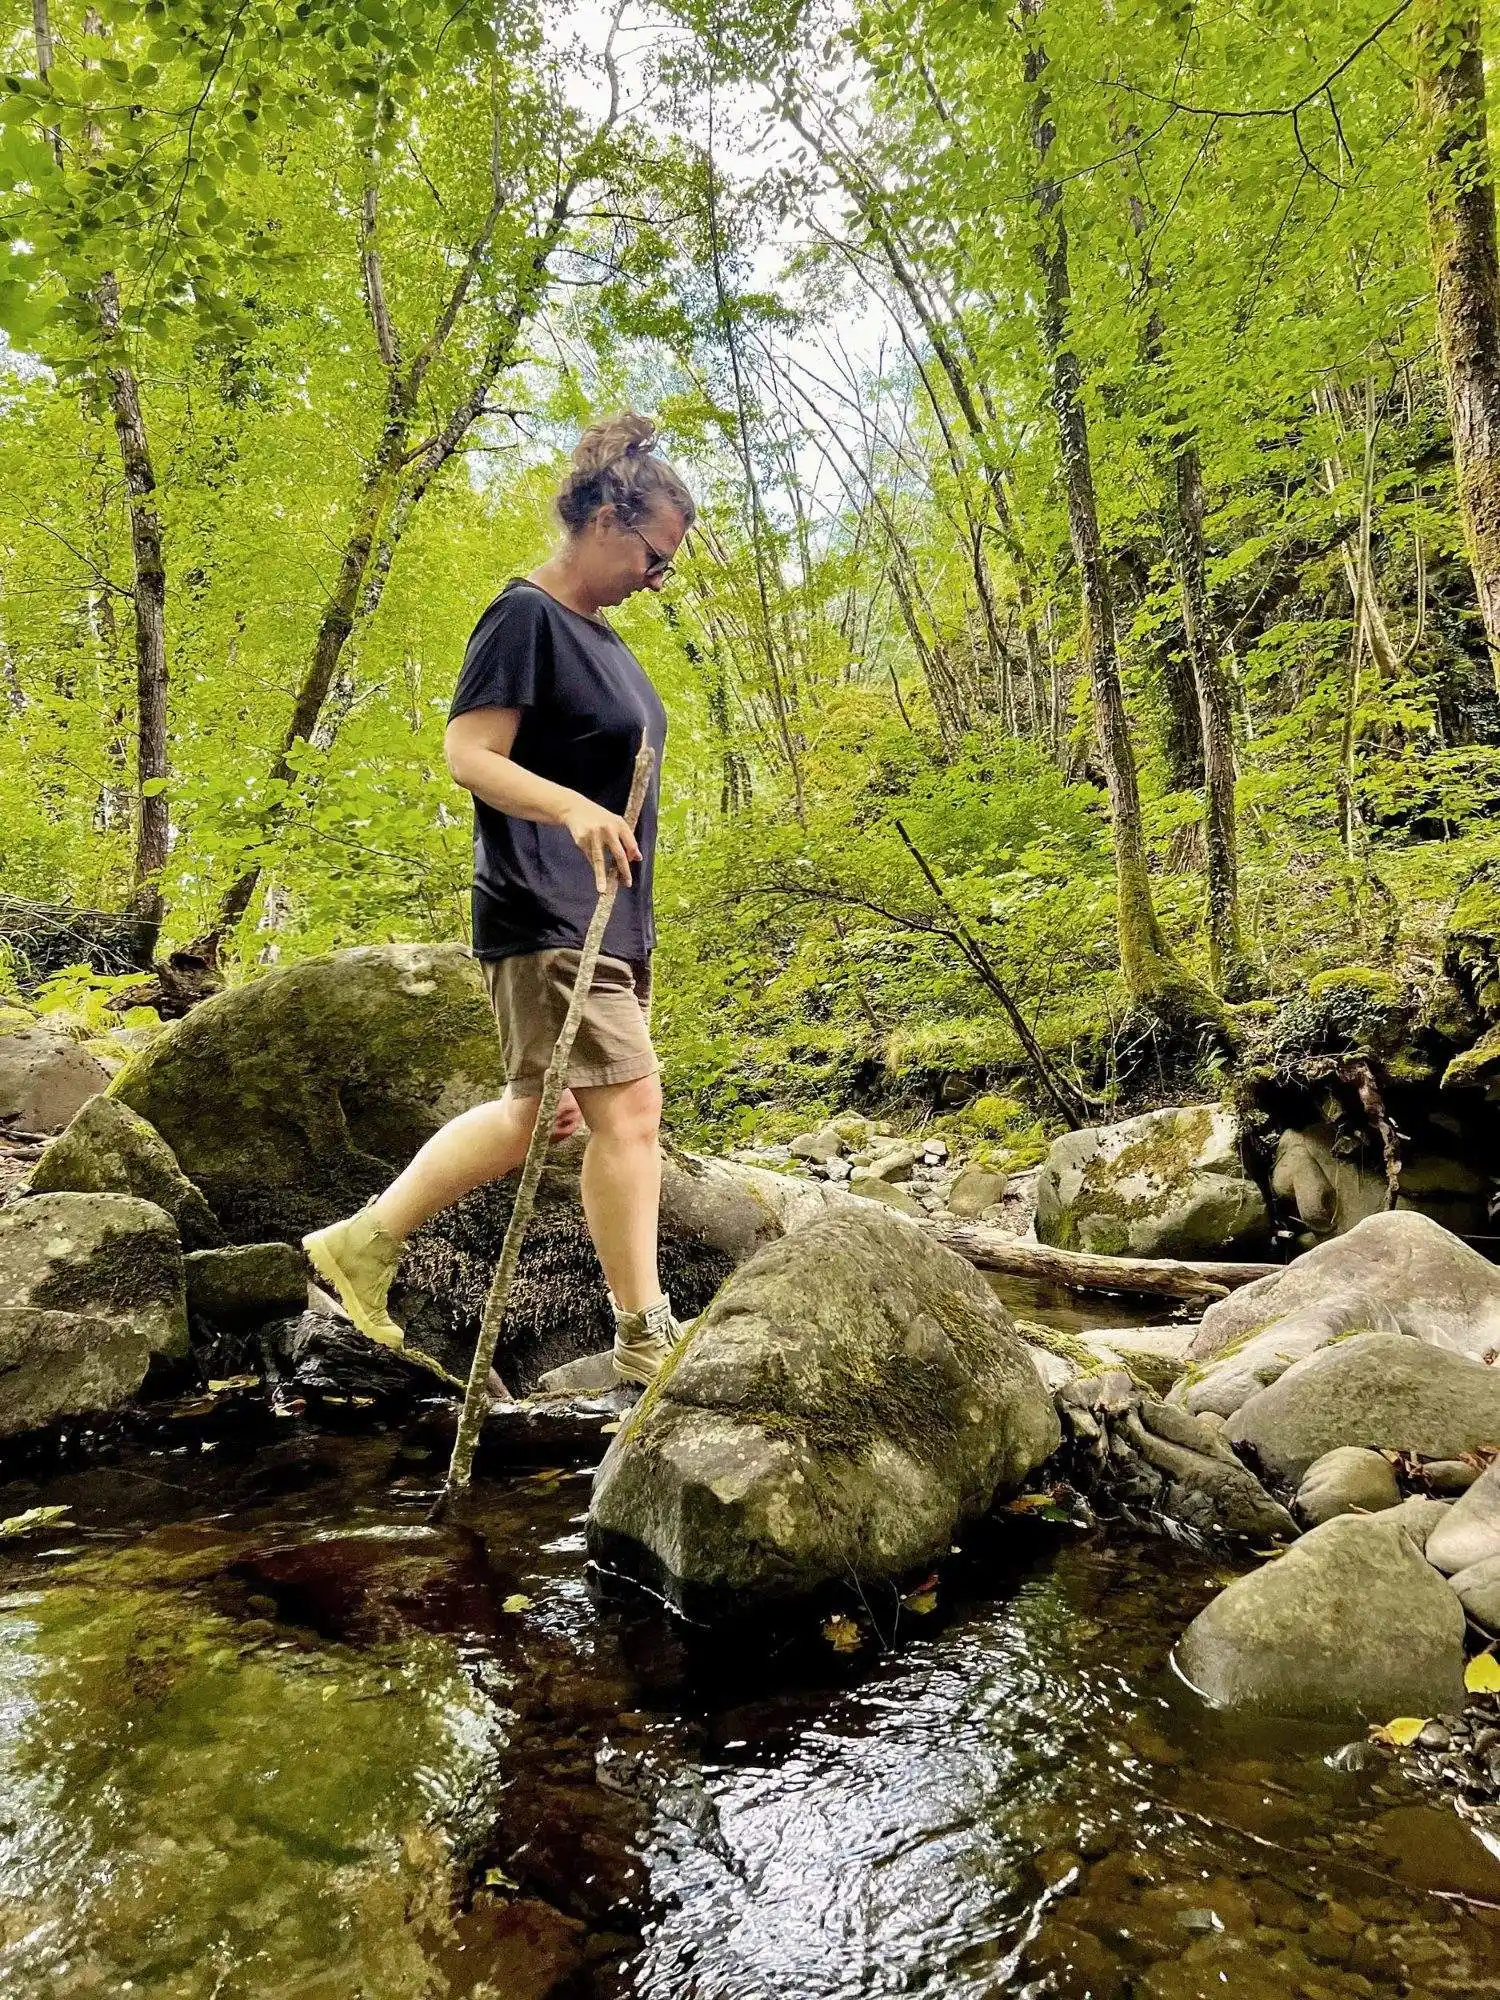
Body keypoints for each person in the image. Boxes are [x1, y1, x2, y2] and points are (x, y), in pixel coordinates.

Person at [303, 412, 696, 1386]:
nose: (658, 578)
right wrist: (572, 811)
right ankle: (643, 1332)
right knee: (631, 1112)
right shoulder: (525, 617)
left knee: (544, 1115)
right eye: (656, 556)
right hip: (546, 908)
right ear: (608, 516)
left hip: (603, 919)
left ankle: (362, 1242)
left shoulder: (601, 638)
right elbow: (468, 753)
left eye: (669, 567)